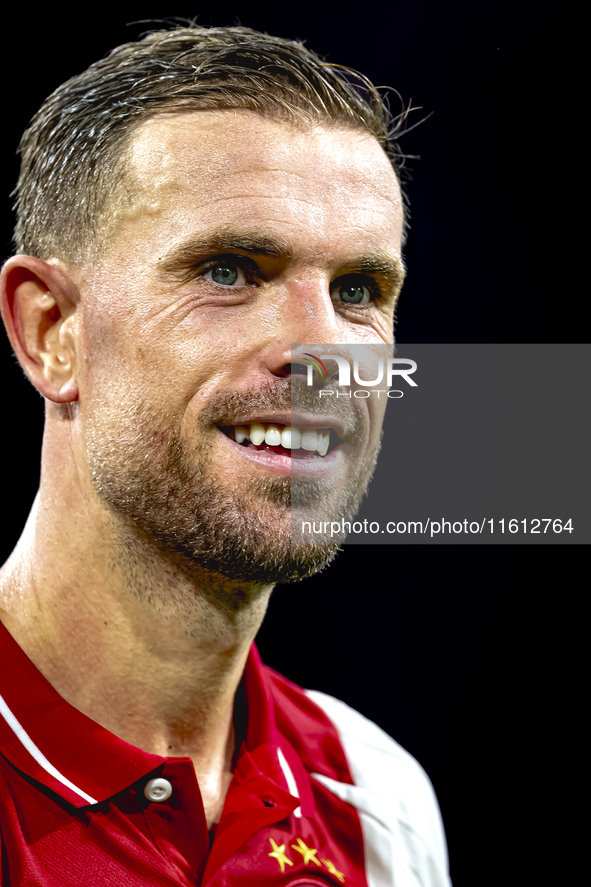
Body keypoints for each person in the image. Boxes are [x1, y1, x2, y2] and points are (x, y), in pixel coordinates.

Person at [0, 23, 451, 887]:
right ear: (53, 331)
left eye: (358, 290)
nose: (323, 351)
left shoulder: (380, 801)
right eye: (230, 270)